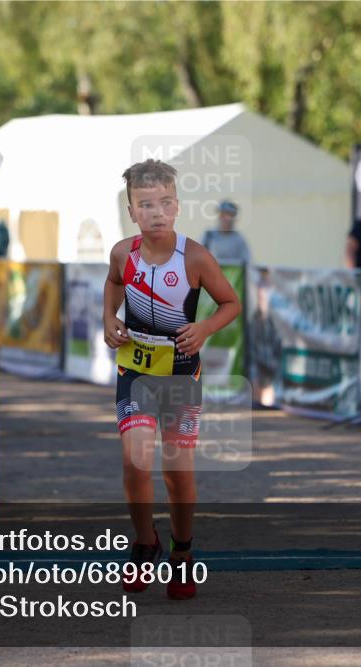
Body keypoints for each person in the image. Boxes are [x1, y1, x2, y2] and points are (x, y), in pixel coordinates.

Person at [103, 159, 240, 600]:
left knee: (177, 471)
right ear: (132, 211)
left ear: (177, 206)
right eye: (146, 205)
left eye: (164, 203)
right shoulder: (123, 253)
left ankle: (182, 554)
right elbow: (112, 282)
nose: (156, 212)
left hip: (180, 371)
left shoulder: (195, 256)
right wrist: (109, 317)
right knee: (134, 460)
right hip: (136, 369)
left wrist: (203, 329)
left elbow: (230, 303)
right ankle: (145, 544)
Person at [201, 200, 250, 265]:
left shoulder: (239, 240)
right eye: (223, 214)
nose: (227, 218)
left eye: (230, 215)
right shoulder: (208, 236)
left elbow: (248, 263)